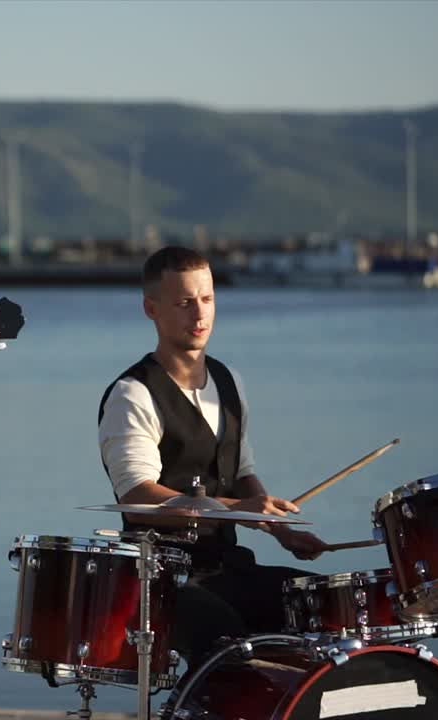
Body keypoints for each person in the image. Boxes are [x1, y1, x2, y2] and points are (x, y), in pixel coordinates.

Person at [97, 245, 327, 662]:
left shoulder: (229, 380)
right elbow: (137, 499)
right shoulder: (133, 394)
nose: (199, 315)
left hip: (229, 566)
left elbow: (241, 470)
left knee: (325, 614)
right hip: (164, 580)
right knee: (229, 647)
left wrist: (280, 529)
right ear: (151, 308)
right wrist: (241, 508)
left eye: (206, 299)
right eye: (184, 303)